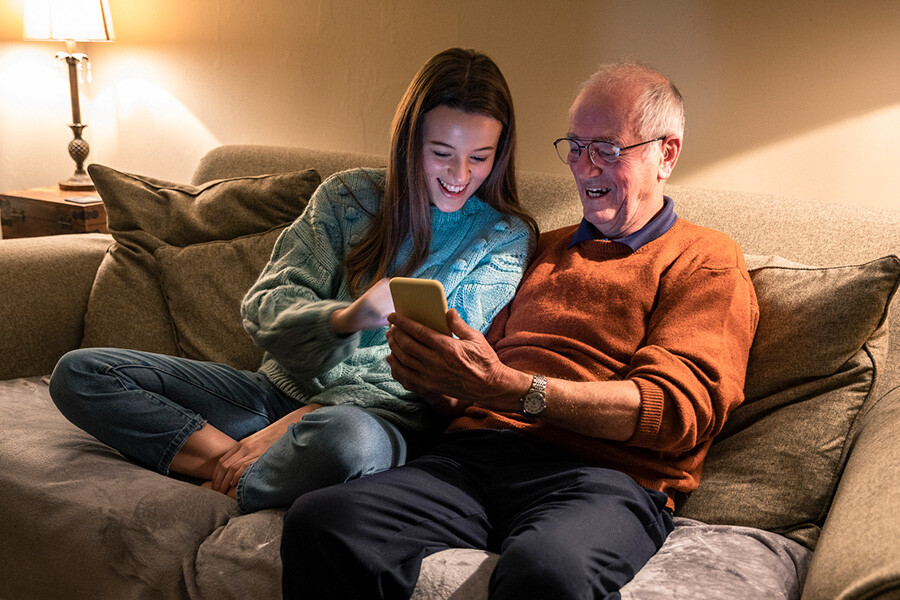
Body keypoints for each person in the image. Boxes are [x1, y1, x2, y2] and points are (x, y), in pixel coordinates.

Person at [280, 61, 759, 599]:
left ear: (666, 154)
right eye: (575, 147)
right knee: (322, 522)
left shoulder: (706, 259)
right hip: (474, 456)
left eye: (606, 148)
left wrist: (513, 389)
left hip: (601, 478)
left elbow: (676, 412)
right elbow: (473, 391)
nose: (585, 167)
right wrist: (434, 375)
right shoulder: (538, 248)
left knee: (547, 572)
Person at [48, 47, 537, 514]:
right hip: (271, 394)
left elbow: (441, 372)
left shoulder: (504, 237)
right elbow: (266, 306)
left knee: (346, 445)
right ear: (410, 143)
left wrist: (299, 422)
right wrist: (345, 320)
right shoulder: (348, 197)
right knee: (82, 373)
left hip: (375, 419)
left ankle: (229, 475)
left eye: (479, 157)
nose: (459, 174)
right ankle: (231, 467)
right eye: (442, 153)